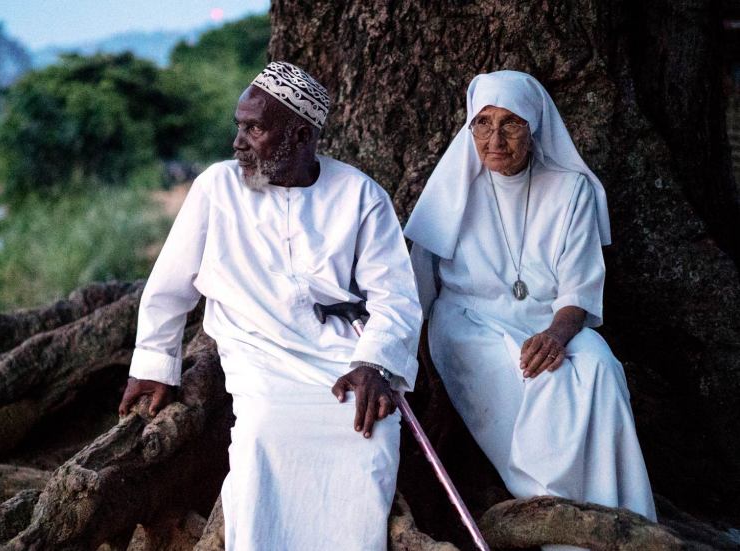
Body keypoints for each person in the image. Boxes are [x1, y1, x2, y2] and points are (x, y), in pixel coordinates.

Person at [118, 61, 423, 550]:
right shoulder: (216, 188)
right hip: (259, 357)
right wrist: (156, 366)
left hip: (340, 359)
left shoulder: (361, 195)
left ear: (300, 136)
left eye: (255, 128)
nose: (238, 142)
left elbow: (397, 297)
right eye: (239, 126)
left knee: (368, 438)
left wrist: (374, 364)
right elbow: (168, 288)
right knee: (265, 436)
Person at [404, 70, 656, 530]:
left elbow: (578, 286)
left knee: (599, 366)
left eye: (511, 123)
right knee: (534, 378)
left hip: (553, 318)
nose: (495, 138)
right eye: (482, 123)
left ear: (534, 126)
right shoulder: (456, 188)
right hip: (470, 321)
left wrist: (557, 334)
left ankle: (622, 516)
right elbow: (418, 285)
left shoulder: (570, 189)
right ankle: (560, 516)